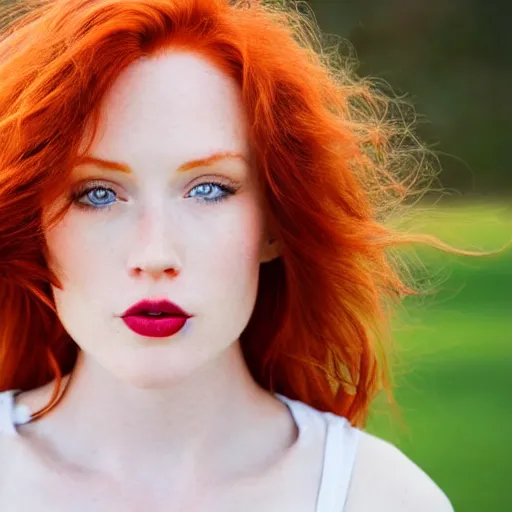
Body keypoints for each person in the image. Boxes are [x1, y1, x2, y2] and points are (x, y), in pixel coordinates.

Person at [0, 0, 455, 510]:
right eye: (98, 193)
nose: (155, 254)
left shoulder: (380, 497)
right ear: (32, 225)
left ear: (275, 221)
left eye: (209, 189)